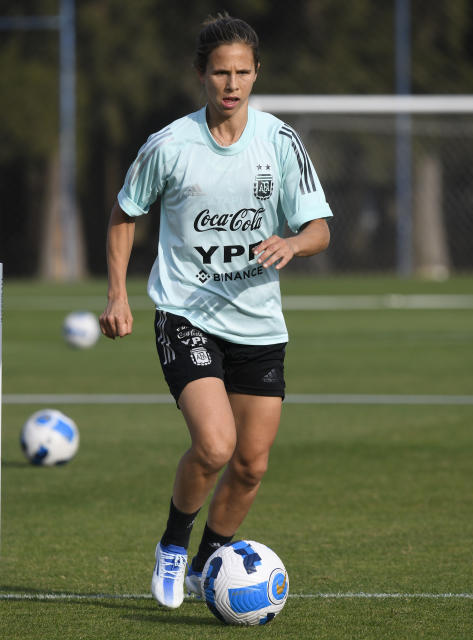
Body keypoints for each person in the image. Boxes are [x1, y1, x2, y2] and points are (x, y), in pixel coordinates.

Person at [99, 13, 332, 609]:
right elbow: (127, 213)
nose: (231, 85)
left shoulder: (280, 142)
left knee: (251, 465)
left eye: (242, 73)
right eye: (220, 73)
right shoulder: (170, 146)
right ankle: (174, 547)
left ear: (257, 74)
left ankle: (208, 565)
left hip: (258, 323)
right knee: (215, 445)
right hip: (186, 314)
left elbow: (320, 228)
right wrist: (119, 294)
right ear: (200, 75)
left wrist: (293, 242)